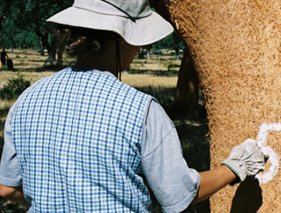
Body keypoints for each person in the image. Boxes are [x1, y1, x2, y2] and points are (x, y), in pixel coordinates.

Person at [0, 0, 266, 212]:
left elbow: (7, 188)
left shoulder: (27, 100)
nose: (139, 49)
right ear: (119, 39)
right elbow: (180, 194)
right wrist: (234, 167)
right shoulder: (141, 110)